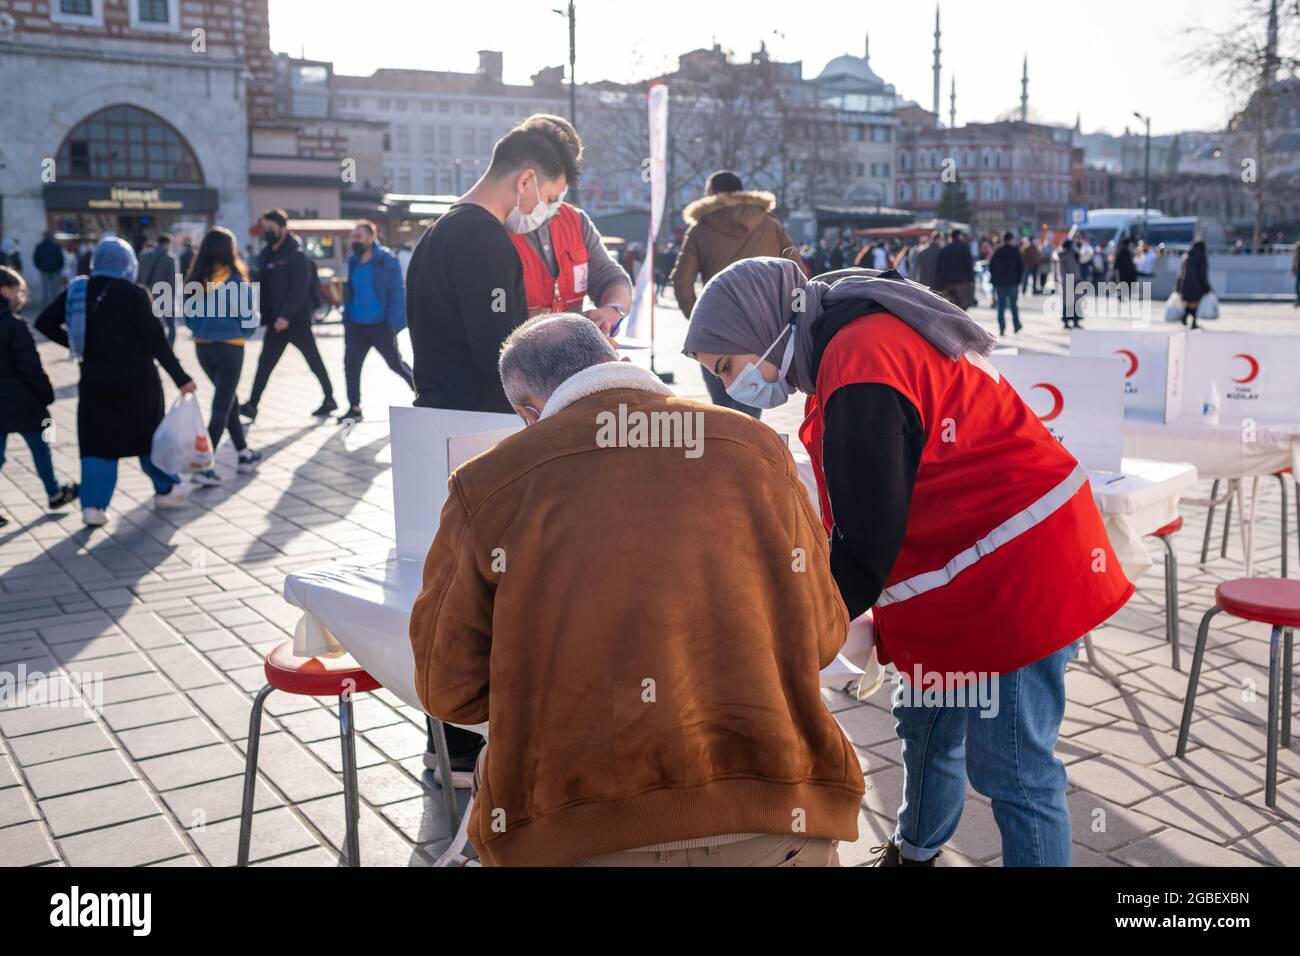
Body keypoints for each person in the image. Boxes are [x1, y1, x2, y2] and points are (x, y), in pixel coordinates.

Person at [682, 258, 1134, 867]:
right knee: (925, 728)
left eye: (728, 367)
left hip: (1020, 570)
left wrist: (801, 629)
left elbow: (867, 534)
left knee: (1012, 767)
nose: (731, 386)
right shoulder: (842, 334)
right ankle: (913, 854)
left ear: (761, 327)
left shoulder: (860, 356)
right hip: (961, 572)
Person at [409, 313, 864, 866]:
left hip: (576, 830)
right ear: (620, 362)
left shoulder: (486, 484)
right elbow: (821, 636)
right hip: (775, 814)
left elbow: (448, 689)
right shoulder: (758, 448)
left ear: (529, 413)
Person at [406, 113, 580, 783]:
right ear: (527, 179)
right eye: (554, 196)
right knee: (486, 595)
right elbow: (502, 359)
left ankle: (448, 740)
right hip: (480, 434)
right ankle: (469, 746)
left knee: (451, 587)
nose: (549, 211)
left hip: (440, 428)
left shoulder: (437, 234)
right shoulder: (485, 241)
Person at [35, 238, 197, 527]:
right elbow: (157, 342)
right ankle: (167, 489)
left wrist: (77, 344)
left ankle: (94, 508)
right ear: (127, 262)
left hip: (96, 381)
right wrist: (181, 378)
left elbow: (44, 322)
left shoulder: (78, 291)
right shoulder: (135, 294)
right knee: (148, 440)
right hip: (139, 384)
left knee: (99, 444)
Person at [670, 169, 802, 419]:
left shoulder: (701, 228)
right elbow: (797, 272)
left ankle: (731, 454)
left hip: (716, 333)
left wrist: (701, 322)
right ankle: (751, 452)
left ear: (711, 195)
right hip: (761, 332)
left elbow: (681, 281)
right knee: (752, 408)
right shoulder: (770, 224)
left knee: (723, 412)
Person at [505, 116, 630, 331]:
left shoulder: (575, 220)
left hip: (569, 354)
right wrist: (519, 317)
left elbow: (610, 276)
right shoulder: (492, 227)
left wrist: (612, 309)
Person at [183, 227, 263, 488]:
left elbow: (188, 316)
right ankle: (203, 466)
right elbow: (250, 316)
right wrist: (241, 332)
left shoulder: (196, 278)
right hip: (230, 347)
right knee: (221, 406)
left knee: (228, 399)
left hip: (203, 347)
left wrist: (202, 330)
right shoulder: (236, 280)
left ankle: (243, 454)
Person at [239, 209, 337, 421]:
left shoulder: (296, 255)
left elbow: (299, 289)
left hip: (296, 320)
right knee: (264, 364)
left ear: (283, 228)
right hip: (276, 322)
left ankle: (329, 398)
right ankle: (252, 404)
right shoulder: (267, 255)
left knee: (314, 361)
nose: (266, 232)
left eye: (270, 228)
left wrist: (285, 315)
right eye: (264, 228)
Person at [0, 266, 79, 527]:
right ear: (5, 291)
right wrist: (46, 393)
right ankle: (54, 493)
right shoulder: (15, 325)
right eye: (16, 290)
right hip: (25, 402)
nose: (20, 295)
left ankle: (54, 492)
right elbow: (31, 367)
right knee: (41, 448)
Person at [338, 220, 413, 424]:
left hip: (381, 325)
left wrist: (392, 324)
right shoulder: (353, 261)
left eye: (359, 236)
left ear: (371, 238)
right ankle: (354, 407)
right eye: (353, 237)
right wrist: (347, 319)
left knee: (395, 364)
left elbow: (397, 292)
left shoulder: (387, 260)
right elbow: (349, 292)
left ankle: (423, 394)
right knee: (351, 366)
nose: (355, 240)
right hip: (356, 325)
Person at [138, 234, 179, 347]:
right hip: (164, 295)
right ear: (167, 244)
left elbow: (138, 276)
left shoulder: (143, 255)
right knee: (170, 325)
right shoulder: (170, 259)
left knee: (146, 325)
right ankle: (169, 350)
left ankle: (147, 349)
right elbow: (172, 281)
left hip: (145, 295)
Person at [988, 231, 1025, 335]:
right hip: (1012, 283)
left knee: (1001, 306)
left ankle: (1002, 328)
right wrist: (1018, 280)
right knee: (1013, 305)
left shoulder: (998, 251)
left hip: (1000, 284)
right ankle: (1016, 325)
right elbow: (1021, 267)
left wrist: (995, 279)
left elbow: (991, 267)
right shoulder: (1015, 251)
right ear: (1011, 239)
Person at [1176, 239, 1212, 330]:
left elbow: (1180, 272)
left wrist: (1177, 286)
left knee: (1190, 303)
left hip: (1185, 283)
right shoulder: (1201, 256)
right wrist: (1207, 287)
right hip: (1196, 284)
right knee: (1196, 304)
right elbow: (1202, 273)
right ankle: (1192, 322)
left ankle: (1187, 317)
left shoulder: (1186, 255)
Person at [936, 228, 975, 308]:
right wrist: (971, 279)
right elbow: (969, 264)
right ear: (959, 236)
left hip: (948, 282)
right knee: (963, 305)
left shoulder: (945, 249)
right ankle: (960, 320)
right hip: (962, 281)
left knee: (952, 305)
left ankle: (953, 320)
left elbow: (940, 267)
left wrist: (941, 283)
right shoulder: (964, 248)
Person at [1054, 235, 1086, 329]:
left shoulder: (1068, 254)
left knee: (1071, 302)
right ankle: (1072, 322)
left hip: (1069, 281)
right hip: (1071, 281)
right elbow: (1065, 270)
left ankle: (1070, 322)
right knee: (1073, 302)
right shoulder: (1068, 254)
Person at [33, 232, 66, 310]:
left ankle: (45, 308)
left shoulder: (40, 246)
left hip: (45, 271)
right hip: (55, 271)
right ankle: (55, 307)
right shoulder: (56, 246)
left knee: (45, 290)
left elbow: (36, 258)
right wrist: (59, 268)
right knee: (54, 290)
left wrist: (41, 267)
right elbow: (61, 258)